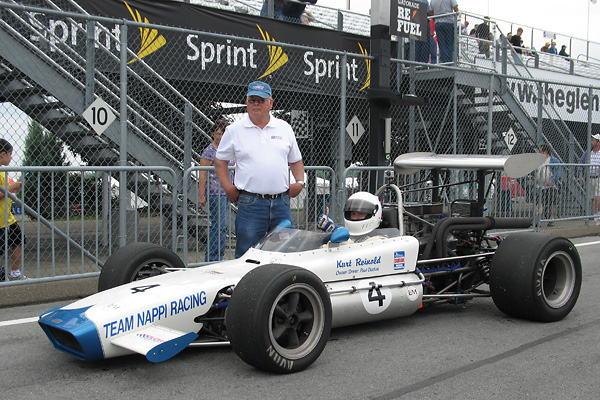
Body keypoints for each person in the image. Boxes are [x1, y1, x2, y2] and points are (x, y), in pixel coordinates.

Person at [214, 81, 305, 258]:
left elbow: (296, 160)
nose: (256, 104)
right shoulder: (233, 130)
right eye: (252, 100)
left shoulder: (284, 128)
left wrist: (300, 182)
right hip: (251, 205)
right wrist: (228, 187)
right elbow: (220, 161)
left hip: (282, 204)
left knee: (284, 253)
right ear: (246, 102)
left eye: (261, 100)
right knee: (248, 256)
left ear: (270, 103)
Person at [198, 120, 233, 262]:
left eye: (223, 133)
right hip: (215, 192)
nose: (220, 136)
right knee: (218, 226)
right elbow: (202, 173)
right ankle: (213, 257)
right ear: (213, 134)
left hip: (226, 192)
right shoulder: (209, 151)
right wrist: (201, 195)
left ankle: (218, 255)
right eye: (218, 133)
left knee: (221, 226)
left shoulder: (228, 149)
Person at [0, 139, 26, 280]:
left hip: (8, 219)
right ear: (3, 154)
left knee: (18, 241)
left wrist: (15, 186)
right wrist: (11, 187)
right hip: (0, 221)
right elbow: (2, 193)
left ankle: (15, 273)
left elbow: (8, 191)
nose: (11, 158)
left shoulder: (4, 172)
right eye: (10, 154)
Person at [535, 144, 561, 226]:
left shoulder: (553, 160)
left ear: (545, 152)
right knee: (539, 203)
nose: (538, 153)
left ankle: (551, 219)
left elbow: (557, 173)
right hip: (540, 186)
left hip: (550, 186)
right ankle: (537, 220)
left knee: (551, 203)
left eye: (540, 151)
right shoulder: (538, 161)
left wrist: (552, 180)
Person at [578, 133, 600, 222]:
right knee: (592, 198)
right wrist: (580, 174)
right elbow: (581, 162)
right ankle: (595, 216)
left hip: (598, 178)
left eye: (593, 140)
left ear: (598, 143)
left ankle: (598, 214)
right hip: (590, 178)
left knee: (597, 197)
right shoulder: (588, 152)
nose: (591, 142)